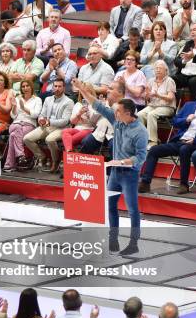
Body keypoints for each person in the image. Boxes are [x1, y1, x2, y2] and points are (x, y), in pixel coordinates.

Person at [73, 79, 147, 255]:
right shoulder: (118, 121)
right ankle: (113, 239)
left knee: (132, 209)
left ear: (128, 114)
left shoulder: (140, 132)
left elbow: (141, 157)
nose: (115, 113)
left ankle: (134, 242)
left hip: (129, 174)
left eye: (119, 112)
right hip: (115, 173)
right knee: (111, 206)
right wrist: (83, 89)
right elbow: (97, 105)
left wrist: (121, 162)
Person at [23, 79, 73, 173]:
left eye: (59, 86)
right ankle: (42, 157)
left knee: (49, 139)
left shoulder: (68, 102)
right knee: (27, 139)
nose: (57, 88)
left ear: (64, 88)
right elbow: (42, 114)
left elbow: (65, 121)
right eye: (55, 86)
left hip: (61, 128)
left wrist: (49, 122)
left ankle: (56, 161)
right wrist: (41, 120)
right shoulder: (47, 99)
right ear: (52, 87)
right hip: (46, 125)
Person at [138, 60, 177, 149]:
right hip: (152, 105)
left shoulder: (169, 81)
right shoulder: (151, 81)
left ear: (166, 70)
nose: (158, 70)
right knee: (139, 115)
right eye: (156, 68)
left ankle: (152, 142)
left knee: (151, 115)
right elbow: (147, 99)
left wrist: (157, 95)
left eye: (160, 68)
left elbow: (171, 98)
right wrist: (147, 94)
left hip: (167, 107)